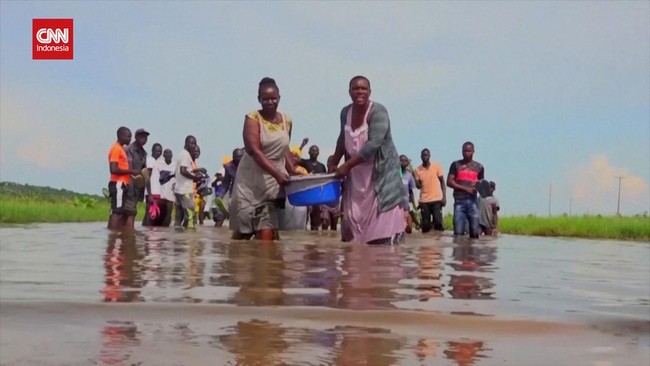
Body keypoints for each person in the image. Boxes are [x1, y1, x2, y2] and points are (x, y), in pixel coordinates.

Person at [328, 76, 405, 245]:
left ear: (370, 92)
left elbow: (374, 144)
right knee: (354, 234)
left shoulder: (378, 112)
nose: (360, 92)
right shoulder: (345, 113)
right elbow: (343, 137)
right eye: (356, 89)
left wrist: (346, 165)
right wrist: (334, 160)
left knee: (382, 238)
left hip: (380, 177)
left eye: (363, 89)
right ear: (349, 92)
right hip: (356, 178)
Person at [230, 77, 296, 241]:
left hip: (272, 184)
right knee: (243, 234)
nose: (270, 102)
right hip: (250, 181)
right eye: (265, 99)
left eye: (273, 98)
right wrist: (277, 174)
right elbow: (254, 150)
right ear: (259, 99)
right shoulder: (252, 118)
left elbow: (284, 149)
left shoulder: (286, 120)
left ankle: (266, 264)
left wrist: (293, 172)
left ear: (279, 98)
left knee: (267, 231)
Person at [447, 141, 484, 238]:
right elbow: (449, 182)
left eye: (469, 151)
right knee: (458, 234)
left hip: (473, 202)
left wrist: (477, 187)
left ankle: (472, 253)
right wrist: (466, 189)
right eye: (464, 151)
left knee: (475, 233)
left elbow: (481, 184)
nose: (466, 153)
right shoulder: (456, 165)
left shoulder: (479, 167)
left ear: (473, 151)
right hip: (459, 201)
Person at [107, 127, 140, 230]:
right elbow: (113, 169)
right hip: (118, 184)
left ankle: (116, 235)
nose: (130, 139)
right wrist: (131, 171)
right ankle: (113, 235)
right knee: (117, 211)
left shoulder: (121, 149)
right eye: (128, 136)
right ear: (120, 136)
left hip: (122, 184)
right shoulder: (116, 149)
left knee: (120, 211)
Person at [414, 148, 446, 233]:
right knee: (425, 226)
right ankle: (426, 245)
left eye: (427, 155)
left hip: (436, 199)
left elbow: (442, 182)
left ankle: (438, 243)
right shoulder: (417, 170)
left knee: (438, 223)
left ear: (429, 156)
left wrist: (444, 197)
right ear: (421, 157)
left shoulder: (437, 166)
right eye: (423, 155)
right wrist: (415, 180)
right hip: (424, 200)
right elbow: (418, 186)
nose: (425, 157)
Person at [174, 135, 202, 229]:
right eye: (192, 143)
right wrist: (195, 177)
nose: (194, 146)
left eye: (195, 144)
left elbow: (182, 171)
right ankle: (189, 239)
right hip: (185, 189)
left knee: (179, 216)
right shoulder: (186, 155)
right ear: (186, 143)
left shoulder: (182, 154)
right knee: (190, 215)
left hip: (179, 189)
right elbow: (183, 171)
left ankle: (178, 238)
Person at [299, 144, 328, 230]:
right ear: (308, 152)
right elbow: (294, 158)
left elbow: (325, 181)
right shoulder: (304, 163)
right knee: (304, 220)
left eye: (315, 150)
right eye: (312, 150)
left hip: (317, 197)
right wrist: (302, 145)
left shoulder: (322, 166)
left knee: (315, 223)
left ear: (318, 153)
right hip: (306, 195)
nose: (314, 152)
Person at [149, 148, 175, 227]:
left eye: (170, 153)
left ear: (172, 155)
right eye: (166, 153)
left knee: (168, 217)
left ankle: (165, 237)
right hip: (160, 195)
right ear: (163, 155)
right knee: (156, 216)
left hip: (170, 195)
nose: (168, 154)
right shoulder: (158, 164)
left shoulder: (175, 166)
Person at [142, 142, 162, 226]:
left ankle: (146, 234)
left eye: (160, 151)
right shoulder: (150, 160)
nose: (159, 153)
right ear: (152, 150)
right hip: (152, 193)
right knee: (151, 215)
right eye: (157, 151)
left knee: (151, 214)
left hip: (155, 192)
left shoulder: (156, 162)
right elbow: (147, 177)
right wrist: (150, 194)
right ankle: (149, 235)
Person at [400, 155, 417, 234]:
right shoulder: (394, 175)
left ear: (407, 163)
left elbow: (411, 191)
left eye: (405, 161)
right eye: (401, 160)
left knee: (409, 228)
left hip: (406, 204)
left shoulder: (409, 176)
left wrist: (414, 204)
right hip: (396, 204)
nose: (403, 162)